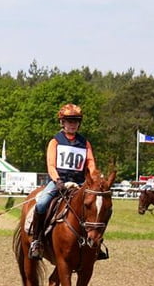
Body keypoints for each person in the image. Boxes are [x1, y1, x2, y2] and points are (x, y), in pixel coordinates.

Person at [29, 103, 105, 260]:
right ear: (62, 122)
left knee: (97, 207)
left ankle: (97, 243)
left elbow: (90, 163)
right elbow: (50, 164)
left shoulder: (85, 143)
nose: (72, 124)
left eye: (76, 121)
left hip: (79, 184)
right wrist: (57, 181)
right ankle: (36, 241)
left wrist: (95, 179)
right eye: (69, 121)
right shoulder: (55, 141)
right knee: (42, 203)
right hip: (59, 182)